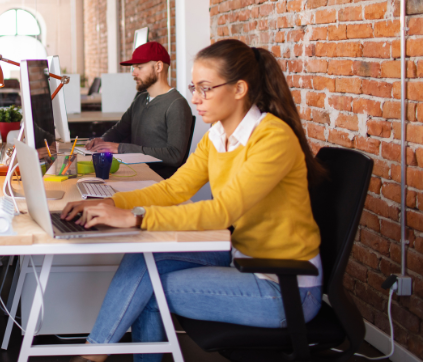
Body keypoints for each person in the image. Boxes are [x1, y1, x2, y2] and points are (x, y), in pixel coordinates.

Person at [63, 39, 326, 362]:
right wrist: (111, 204)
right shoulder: (217, 136)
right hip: (241, 257)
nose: (195, 99)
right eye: (193, 88)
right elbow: (174, 189)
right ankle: (95, 352)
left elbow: (223, 210)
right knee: (144, 258)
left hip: (285, 287)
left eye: (205, 89)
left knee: (150, 290)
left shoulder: (272, 138)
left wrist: (137, 218)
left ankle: (94, 355)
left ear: (239, 89)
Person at [86, 42, 192, 178]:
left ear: (158, 67)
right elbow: (119, 131)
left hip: (156, 180)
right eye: (133, 67)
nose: (133, 73)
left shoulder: (176, 104)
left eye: (139, 67)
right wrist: (101, 141)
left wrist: (120, 148)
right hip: (135, 172)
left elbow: (174, 155)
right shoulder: (141, 99)